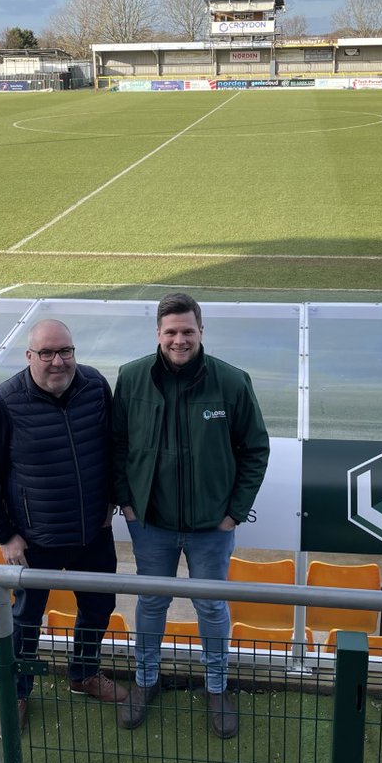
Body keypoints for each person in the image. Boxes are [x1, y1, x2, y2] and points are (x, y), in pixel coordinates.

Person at [113, 292, 270, 739]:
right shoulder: (132, 377)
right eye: (171, 332)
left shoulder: (232, 382)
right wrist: (128, 503)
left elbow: (255, 450)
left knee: (211, 605)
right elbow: (117, 445)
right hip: (151, 524)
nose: (179, 340)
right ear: (158, 334)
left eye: (187, 331)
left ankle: (217, 687)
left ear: (201, 331)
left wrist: (233, 513)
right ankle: (145, 680)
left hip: (211, 527)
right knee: (150, 603)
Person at [0, 319, 127, 731]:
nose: (58, 361)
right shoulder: (4, 403)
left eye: (66, 351)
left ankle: (83, 673)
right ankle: (18, 692)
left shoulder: (95, 386)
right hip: (33, 539)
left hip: (93, 533)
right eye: (47, 353)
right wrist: (5, 534)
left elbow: (112, 448)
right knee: (24, 621)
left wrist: (111, 499)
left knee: (98, 608)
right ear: (29, 357)